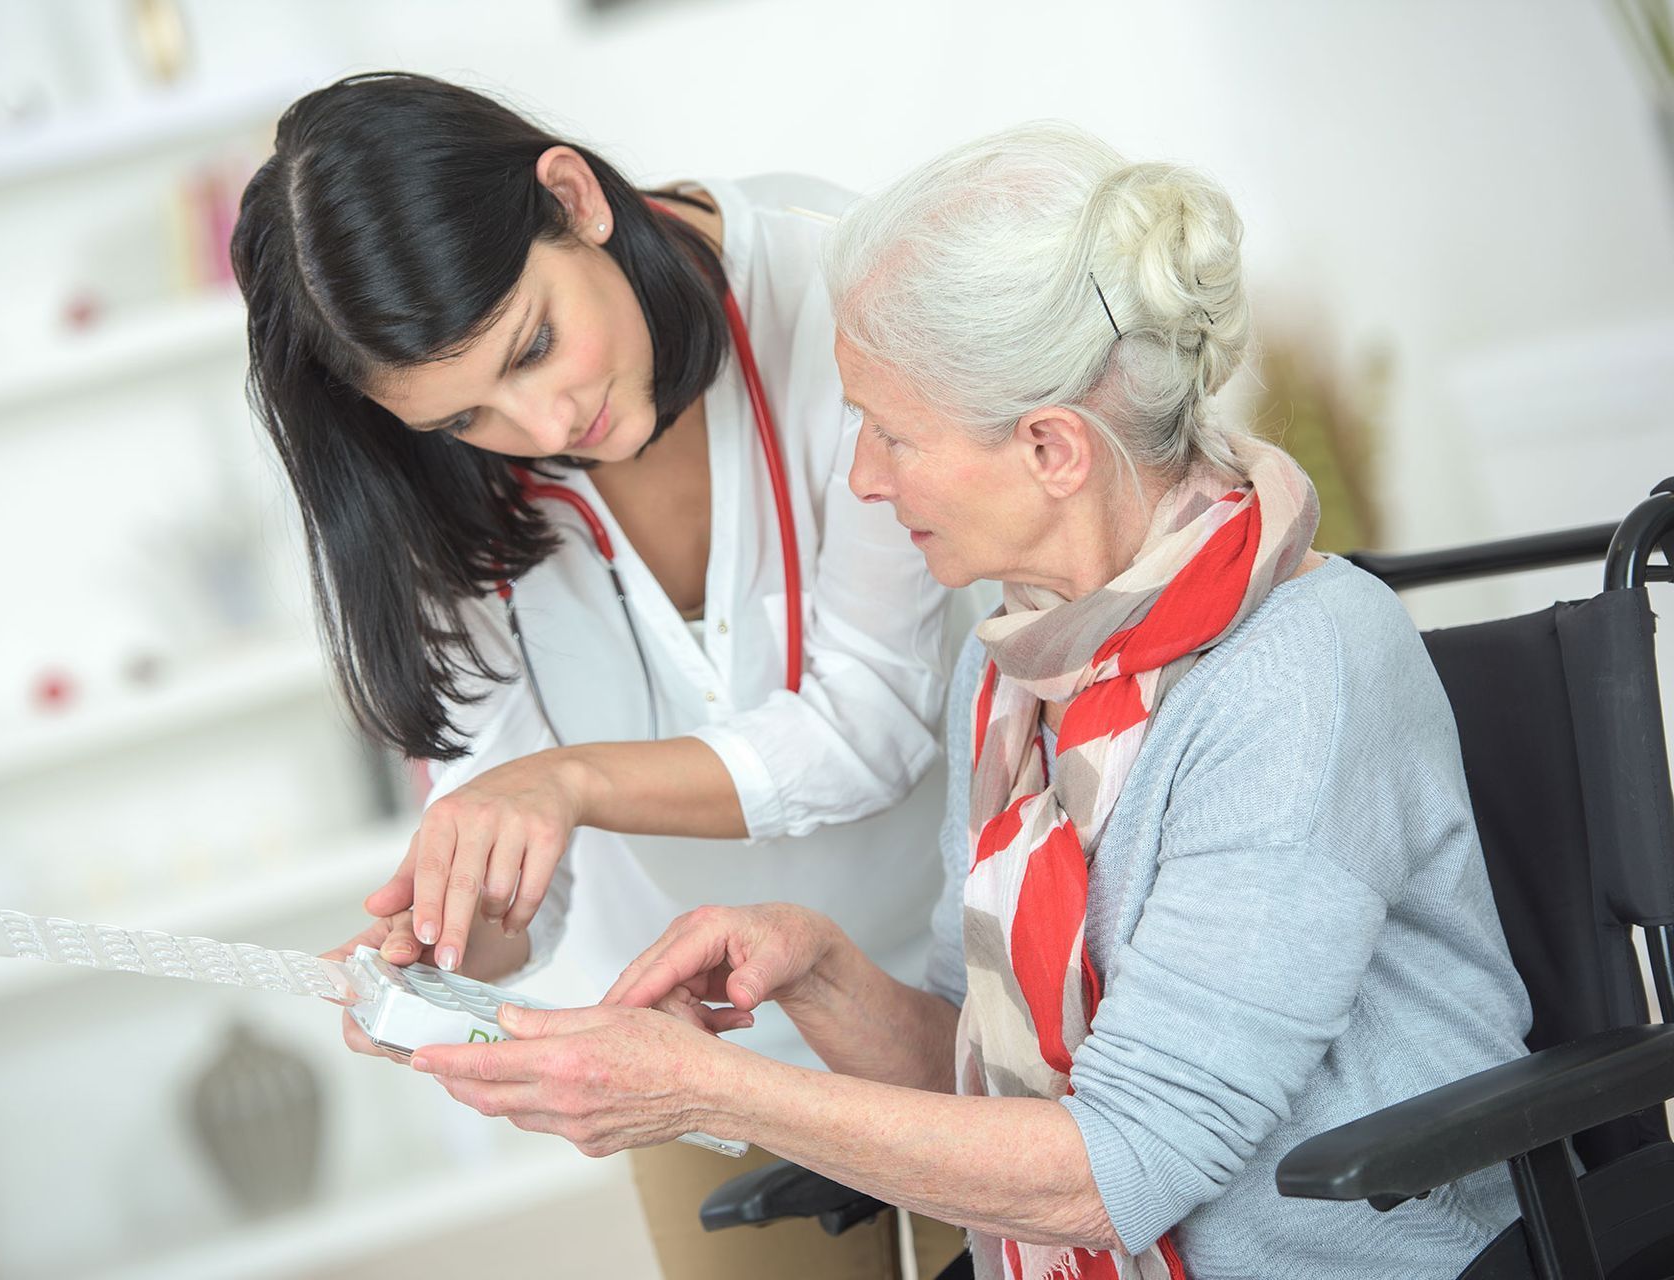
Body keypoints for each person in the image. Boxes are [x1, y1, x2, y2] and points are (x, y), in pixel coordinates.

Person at [346, 122, 1534, 1280]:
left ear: (1053, 448)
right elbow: (979, 1074)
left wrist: (710, 1085)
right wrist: (813, 965)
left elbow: (1118, 1165)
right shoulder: (1018, 671)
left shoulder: (1296, 674)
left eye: (889, 433)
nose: (859, 476)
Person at [231, 74, 962, 1274]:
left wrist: (562, 782)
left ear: (572, 195)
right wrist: (454, 938)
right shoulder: (428, 485)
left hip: (958, 1014)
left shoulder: (849, 289)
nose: (540, 419)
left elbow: (871, 721)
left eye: (534, 345)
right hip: (696, 1068)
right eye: (466, 415)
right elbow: (528, 864)